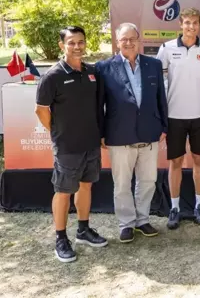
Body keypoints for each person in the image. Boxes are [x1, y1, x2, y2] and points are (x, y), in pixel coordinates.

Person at [35, 26, 107, 263]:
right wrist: (58, 132)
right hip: (67, 146)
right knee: (63, 191)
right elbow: (41, 111)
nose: (77, 47)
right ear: (62, 45)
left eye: (81, 42)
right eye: (72, 42)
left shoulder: (91, 72)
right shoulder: (52, 76)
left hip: (91, 142)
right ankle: (60, 238)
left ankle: (83, 230)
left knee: (86, 186)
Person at [96, 23, 168, 243]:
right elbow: (99, 104)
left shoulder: (153, 65)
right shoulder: (104, 68)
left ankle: (142, 219)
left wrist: (164, 126)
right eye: (123, 39)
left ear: (139, 40)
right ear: (117, 42)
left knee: (148, 180)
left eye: (132, 38)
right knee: (122, 183)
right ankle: (126, 223)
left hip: (149, 132)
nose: (128, 43)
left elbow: (160, 99)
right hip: (119, 134)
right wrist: (101, 132)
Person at [156, 7, 200, 229]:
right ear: (180, 24)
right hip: (174, 117)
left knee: (199, 161)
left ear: (199, 25)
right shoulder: (166, 48)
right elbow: (159, 84)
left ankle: (199, 205)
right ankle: (174, 208)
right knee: (176, 163)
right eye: (187, 22)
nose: (191, 26)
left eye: (195, 23)